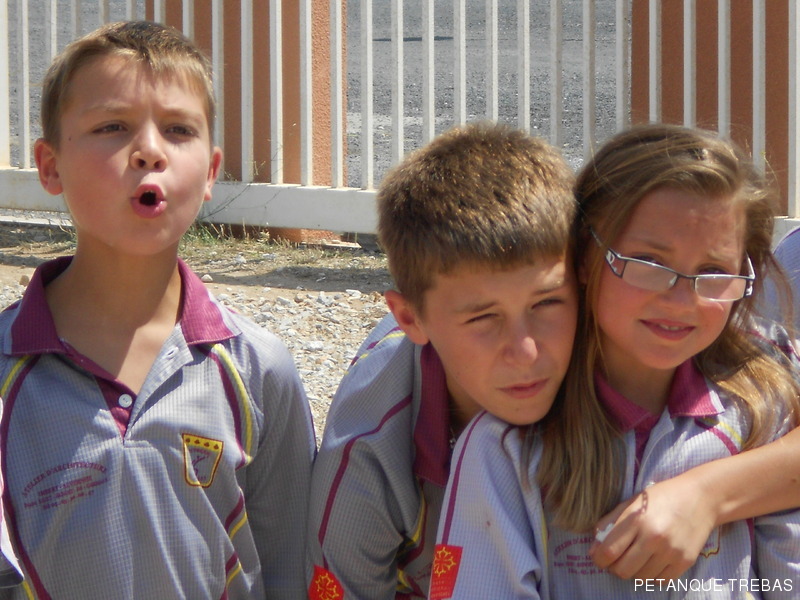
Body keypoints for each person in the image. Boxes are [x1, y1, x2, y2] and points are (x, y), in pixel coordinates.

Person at [0, 21, 315, 599]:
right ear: (49, 166)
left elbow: (290, 569)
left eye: (178, 129)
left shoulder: (257, 369)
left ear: (211, 171)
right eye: (112, 126)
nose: (150, 150)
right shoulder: (6, 373)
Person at [431, 124, 800, 599]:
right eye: (649, 262)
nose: (681, 300)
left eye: (713, 272)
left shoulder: (766, 410)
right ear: (584, 258)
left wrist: (708, 496)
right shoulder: (505, 448)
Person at [306, 122, 579, 599]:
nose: (526, 351)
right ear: (410, 319)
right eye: (483, 318)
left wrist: (706, 492)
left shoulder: (619, 366)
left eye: (547, 303)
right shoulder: (370, 449)